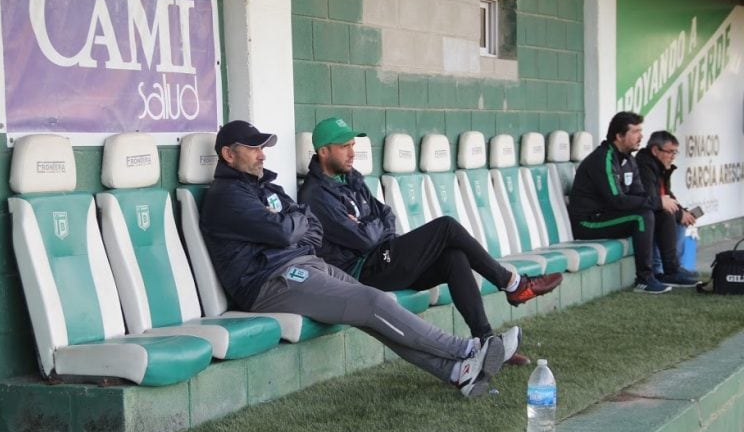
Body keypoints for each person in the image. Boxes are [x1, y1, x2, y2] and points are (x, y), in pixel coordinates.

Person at [201, 120, 515, 398]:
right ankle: (470, 349)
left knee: (375, 306)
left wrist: (291, 223)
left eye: (263, 147)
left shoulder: (265, 187)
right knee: (372, 302)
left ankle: (457, 372)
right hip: (270, 283)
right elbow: (286, 232)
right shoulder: (225, 197)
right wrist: (291, 224)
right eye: (254, 148)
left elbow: (310, 226)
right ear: (229, 154)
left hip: (305, 266)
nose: (262, 154)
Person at [297, 117, 563, 367]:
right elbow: (365, 240)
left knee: (454, 258)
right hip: (363, 272)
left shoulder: (350, 177)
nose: (352, 152)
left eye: (353, 145)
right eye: (344, 147)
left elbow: (387, 214)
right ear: (323, 151)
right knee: (446, 226)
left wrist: (370, 224)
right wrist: (374, 227)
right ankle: (512, 284)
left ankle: (486, 343)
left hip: (386, 255)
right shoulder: (315, 195)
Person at [567, 112, 699, 293]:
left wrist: (659, 204)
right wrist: (657, 202)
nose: (641, 136)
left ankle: (670, 271)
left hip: (610, 216)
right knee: (643, 216)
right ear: (619, 136)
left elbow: (640, 195)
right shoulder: (603, 159)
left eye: (641, 131)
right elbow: (617, 200)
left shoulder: (629, 159)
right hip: (589, 222)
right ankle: (644, 279)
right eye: (635, 132)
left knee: (662, 212)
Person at [635, 131, 699, 279]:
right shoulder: (644, 165)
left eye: (675, 152)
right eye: (670, 152)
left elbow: (667, 193)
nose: (673, 156)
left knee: (680, 218)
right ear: (655, 150)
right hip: (644, 213)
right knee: (666, 215)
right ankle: (660, 269)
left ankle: (673, 267)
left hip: (652, 210)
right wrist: (679, 214)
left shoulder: (659, 166)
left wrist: (683, 212)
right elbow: (653, 198)